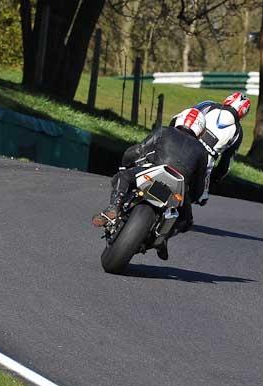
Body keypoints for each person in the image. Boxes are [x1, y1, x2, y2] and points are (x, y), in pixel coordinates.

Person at [91, 107, 211, 260]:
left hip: (155, 173)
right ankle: (164, 238)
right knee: (186, 221)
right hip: (177, 187)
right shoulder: (202, 151)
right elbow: (199, 185)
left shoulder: (164, 131)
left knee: (123, 177)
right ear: (200, 130)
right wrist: (191, 198)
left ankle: (113, 208)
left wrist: (126, 164)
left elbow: (138, 150)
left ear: (178, 119)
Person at [180, 92, 250, 205]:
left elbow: (185, 116)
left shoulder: (208, 105)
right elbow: (225, 165)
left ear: (229, 99)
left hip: (183, 146)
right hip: (204, 165)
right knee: (201, 198)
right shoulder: (238, 132)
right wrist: (215, 180)